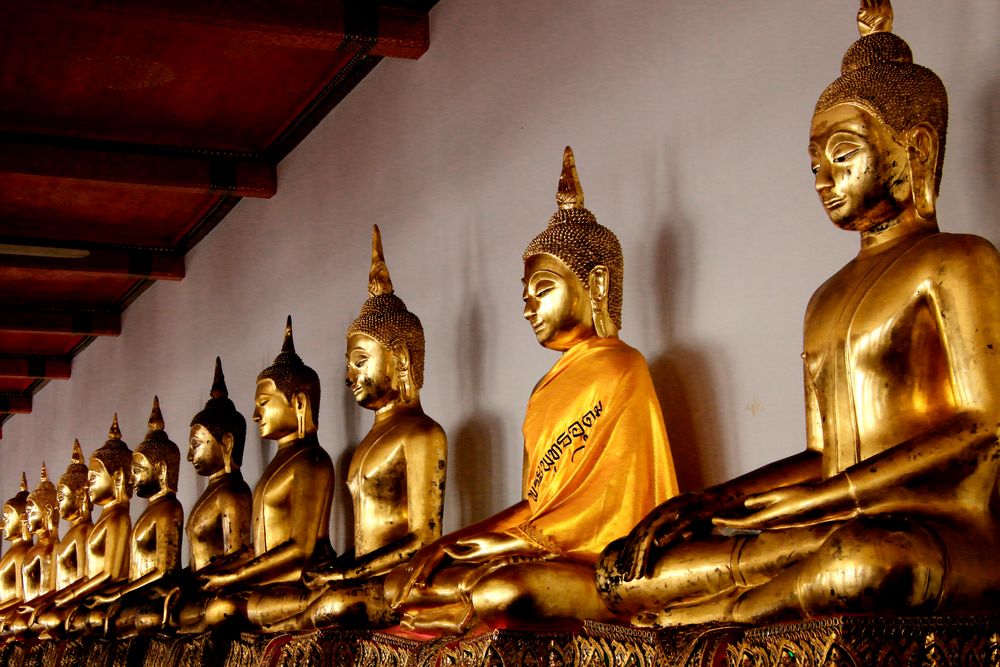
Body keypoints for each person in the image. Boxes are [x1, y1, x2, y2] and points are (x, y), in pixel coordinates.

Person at [598, 0, 1000, 625]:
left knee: (865, 562)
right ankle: (727, 603)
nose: (822, 177)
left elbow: (983, 428)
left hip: (936, 524)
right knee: (630, 573)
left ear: (915, 148)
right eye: (815, 162)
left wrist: (816, 501)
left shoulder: (958, 260)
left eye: (843, 154)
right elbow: (822, 451)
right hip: (827, 523)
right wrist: (711, 502)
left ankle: (722, 613)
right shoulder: (825, 298)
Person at [386, 147, 678, 633]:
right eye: (524, 296)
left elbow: (610, 512)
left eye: (542, 289)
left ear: (597, 284)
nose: (528, 307)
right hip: (542, 548)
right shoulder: (544, 390)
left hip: (602, 562)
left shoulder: (623, 368)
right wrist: (460, 541)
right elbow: (538, 504)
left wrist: (504, 544)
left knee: (506, 590)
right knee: (405, 583)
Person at [262, 225, 448, 631]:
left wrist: (346, 575)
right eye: (349, 364)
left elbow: (422, 538)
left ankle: (296, 622)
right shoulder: (369, 442)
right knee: (315, 599)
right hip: (365, 577)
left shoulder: (421, 433)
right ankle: (298, 618)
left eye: (360, 361)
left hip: (403, 578)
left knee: (333, 606)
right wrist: (340, 568)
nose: (349, 375)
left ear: (399, 358)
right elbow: (364, 541)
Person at [177, 318, 335, 632]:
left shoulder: (311, 461)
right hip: (270, 586)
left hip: (299, 582)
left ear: (299, 403)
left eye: (263, 403)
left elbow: (302, 550)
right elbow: (258, 547)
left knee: (222, 608)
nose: (255, 415)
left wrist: (234, 577)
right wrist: (220, 572)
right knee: (197, 605)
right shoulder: (277, 466)